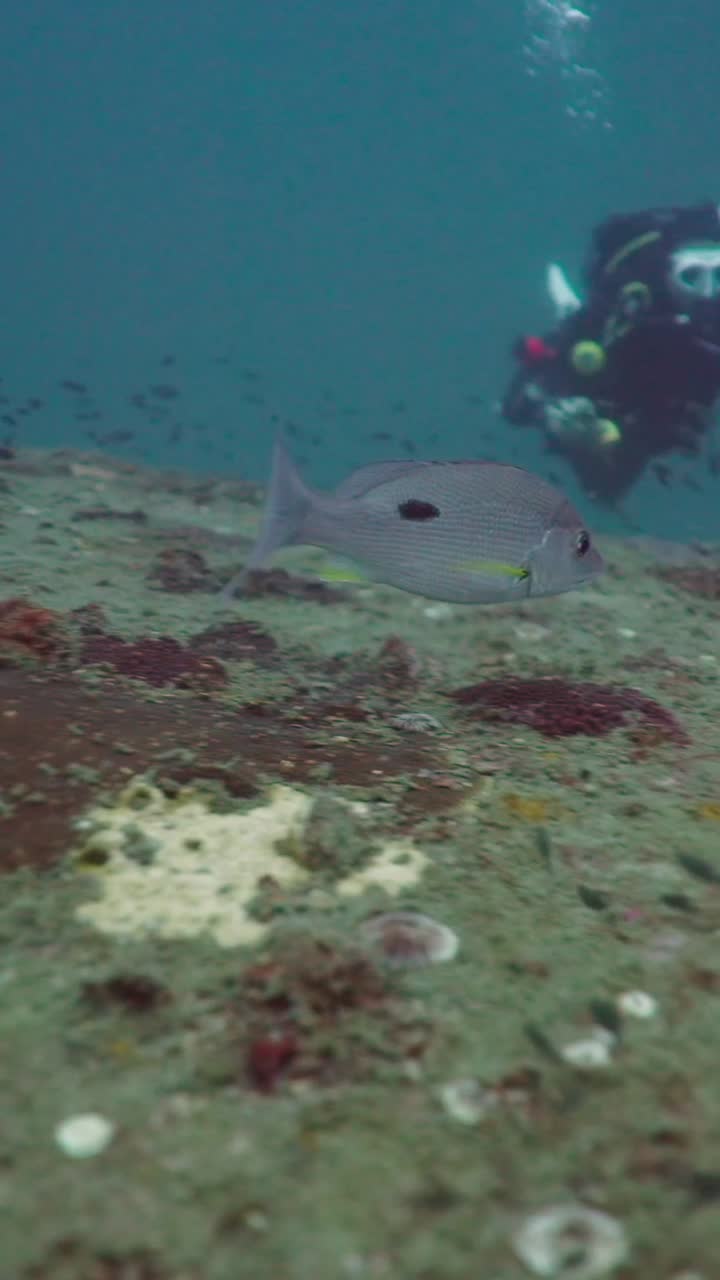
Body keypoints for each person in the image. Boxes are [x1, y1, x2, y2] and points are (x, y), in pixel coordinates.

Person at [501, 201, 720, 501]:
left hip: (664, 418)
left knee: (608, 485)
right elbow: (516, 406)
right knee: (605, 485)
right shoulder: (620, 311)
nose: (706, 291)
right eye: (691, 276)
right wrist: (552, 416)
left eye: (719, 276)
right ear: (668, 271)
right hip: (622, 407)